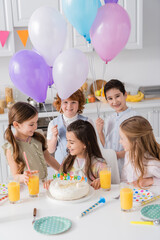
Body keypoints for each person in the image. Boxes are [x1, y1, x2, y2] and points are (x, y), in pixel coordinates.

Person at [2, 102, 60, 184]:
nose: (35, 127)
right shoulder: (11, 148)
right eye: (31, 124)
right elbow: (15, 176)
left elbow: (49, 158)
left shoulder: (38, 138)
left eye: (36, 122)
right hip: (27, 188)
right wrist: (23, 177)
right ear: (16, 125)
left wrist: (62, 170)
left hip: (43, 184)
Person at [44, 119, 107, 190]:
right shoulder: (67, 161)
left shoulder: (98, 164)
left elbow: (107, 181)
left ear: (85, 143)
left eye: (71, 142)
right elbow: (60, 179)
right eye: (67, 141)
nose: (67, 146)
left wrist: (100, 181)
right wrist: (53, 182)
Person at [96, 79, 138, 175]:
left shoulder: (134, 117)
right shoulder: (109, 119)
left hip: (128, 164)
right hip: (112, 164)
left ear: (125, 95)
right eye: (110, 98)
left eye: (117, 96)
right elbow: (106, 145)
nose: (114, 101)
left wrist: (118, 155)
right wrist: (100, 132)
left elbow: (139, 146)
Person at [47, 89, 90, 164]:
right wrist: (54, 136)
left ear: (79, 104)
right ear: (60, 103)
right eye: (65, 102)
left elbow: (92, 145)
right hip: (60, 167)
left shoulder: (87, 122)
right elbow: (50, 150)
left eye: (73, 102)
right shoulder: (53, 123)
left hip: (82, 165)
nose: (69, 106)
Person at [120, 116, 160, 187]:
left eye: (122, 138)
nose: (120, 141)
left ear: (136, 142)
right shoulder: (128, 154)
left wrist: (150, 180)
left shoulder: (152, 165)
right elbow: (124, 178)